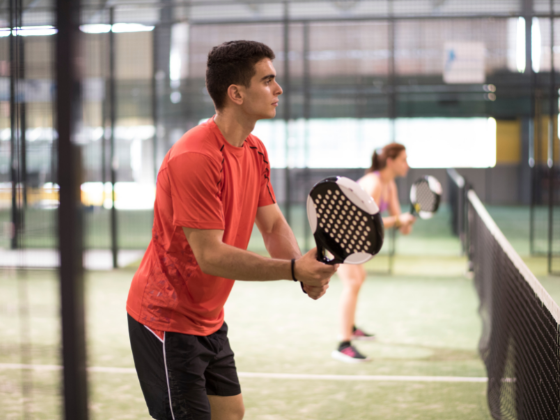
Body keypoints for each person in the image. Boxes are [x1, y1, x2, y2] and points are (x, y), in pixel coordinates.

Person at [126, 40, 338, 420]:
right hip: (166, 319)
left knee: (230, 414)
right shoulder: (196, 157)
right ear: (236, 93)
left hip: (209, 316)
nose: (278, 89)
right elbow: (210, 256)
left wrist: (302, 272)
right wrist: (294, 270)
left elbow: (271, 224)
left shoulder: (254, 149)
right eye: (267, 80)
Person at [331, 143, 416, 363]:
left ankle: (350, 327)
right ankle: (343, 344)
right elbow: (366, 223)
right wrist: (399, 220)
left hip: (352, 237)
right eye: (403, 159)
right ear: (390, 161)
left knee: (360, 278)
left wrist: (407, 220)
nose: (407, 164)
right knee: (352, 283)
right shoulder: (374, 183)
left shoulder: (390, 185)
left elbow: (402, 227)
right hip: (339, 234)